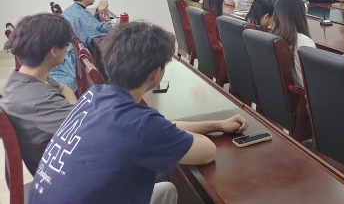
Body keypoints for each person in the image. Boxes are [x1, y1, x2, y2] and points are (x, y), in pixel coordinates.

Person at [29, 22, 249, 204]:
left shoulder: (95, 94)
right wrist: (171, 132)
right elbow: (207, 151)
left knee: (166, 190)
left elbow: (158, 129)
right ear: (156, 73)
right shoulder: (140, 125)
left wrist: (216, 125)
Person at [2, 14, 76, 175]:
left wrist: (74, 110)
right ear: (54, 51)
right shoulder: (41, 100)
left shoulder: (21, 77)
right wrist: (76, 111)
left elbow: (64, 88)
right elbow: (84, 130)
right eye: (66, 44)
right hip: (59, 173)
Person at [51, 0, 114, 91]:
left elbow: (90, 26)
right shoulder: (81, 14)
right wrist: (102, 11)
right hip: (69, 63)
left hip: (62, 56)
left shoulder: (72, 9)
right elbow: (104, 29)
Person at [271, 0, 315, 87]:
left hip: (279, 92)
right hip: (303, 93)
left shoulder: (271, 36)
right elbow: (313, 81)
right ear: (301, 14)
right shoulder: (304, 41)